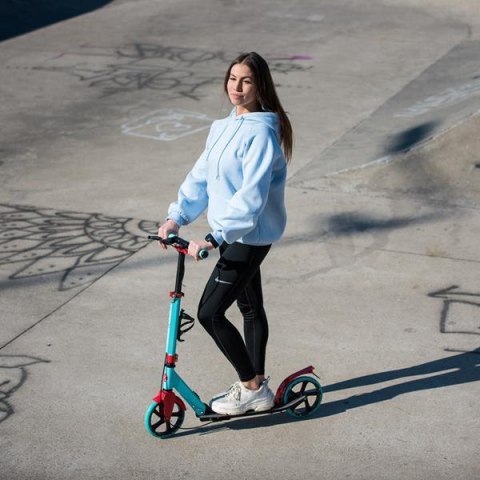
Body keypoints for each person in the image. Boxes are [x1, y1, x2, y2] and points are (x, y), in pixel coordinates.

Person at [157, 51, 293, 415]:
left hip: (249, 236)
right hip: (231, 234)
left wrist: (216, 237)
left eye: (246, 81)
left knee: (210, 313)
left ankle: (251, 386)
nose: (237, 87)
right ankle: (258, 386)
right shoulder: (223, 126)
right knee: (250, 308)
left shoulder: (262, 133)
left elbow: (251, 197)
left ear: (260, 86)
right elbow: (200, 177)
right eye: (233, 79)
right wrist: (176, 218)